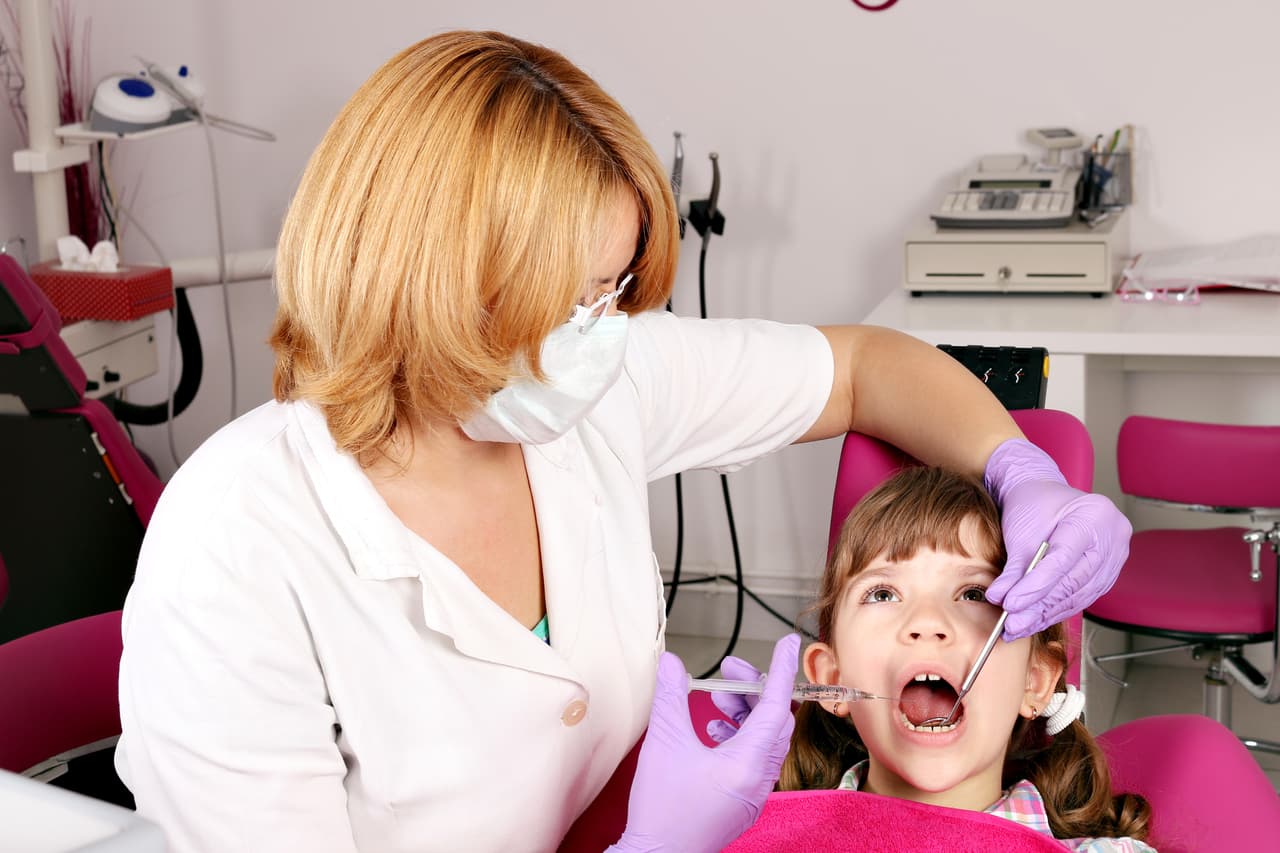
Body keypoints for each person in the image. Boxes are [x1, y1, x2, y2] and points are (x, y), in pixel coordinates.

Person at [114, 30, 1132, 853]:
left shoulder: (588, 382)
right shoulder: (240, 542)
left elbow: (867, 365)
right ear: (412, 275)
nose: (601, 333)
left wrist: (1019, 468)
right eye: (564, 298)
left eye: (610, 290)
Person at [770, 466, 1154, 850]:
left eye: (974, 594)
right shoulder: (755, 830)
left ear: (1034, 681)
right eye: (883, 594)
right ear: (831, 680)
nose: (926, 622)